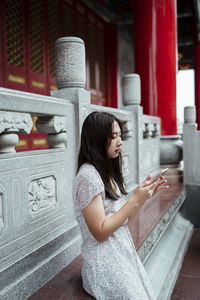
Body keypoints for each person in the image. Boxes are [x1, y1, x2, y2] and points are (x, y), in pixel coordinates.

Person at [73, 111, 169, 299]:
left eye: (120, 136)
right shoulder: (87, 177)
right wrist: (134, 200)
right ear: (97, 139)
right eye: (113, 137)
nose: (120, 142)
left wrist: (142, 197)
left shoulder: (106, 171)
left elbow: (124, 219)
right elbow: (100, 232)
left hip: (120, 252)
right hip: (103, 262)